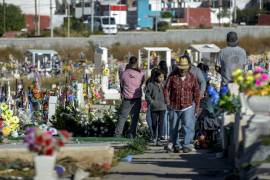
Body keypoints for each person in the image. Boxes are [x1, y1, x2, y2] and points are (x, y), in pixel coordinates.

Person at [164, 57, 201, 153]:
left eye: (184, 68)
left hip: (188, 106)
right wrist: (167, 102)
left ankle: (186, 144)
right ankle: (176, 145)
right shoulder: (172, 77)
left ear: (188, 68)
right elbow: (166, 89)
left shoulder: (192, 77)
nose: (182, 70)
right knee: (174, 127)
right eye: (181, 68)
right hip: (173, 105)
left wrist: (197, 106)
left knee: (187, 126)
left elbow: (196, 92)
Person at [115, 56, 145, 138]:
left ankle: (117, 134)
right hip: (137, 98)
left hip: (127, 98)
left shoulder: (124, 73)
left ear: (129, 62)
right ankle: (132, 134)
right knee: (134, 118)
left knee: (122, 117)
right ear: (136, 63)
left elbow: (122, 84)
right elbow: (141, 83)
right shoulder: (141, 73)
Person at [145, 69, 166, 146]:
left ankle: (159, 138)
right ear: (156, 77)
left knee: (161, 123)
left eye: (163, 77)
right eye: (160, 77)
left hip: (163, 107)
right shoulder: (151, 85)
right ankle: (154, 136)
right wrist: (152, 102)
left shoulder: (164, 84)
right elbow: (147, 95)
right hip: (154, 107)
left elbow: (168, 94)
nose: (161, 79)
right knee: (154, 123)